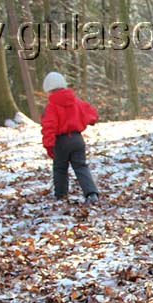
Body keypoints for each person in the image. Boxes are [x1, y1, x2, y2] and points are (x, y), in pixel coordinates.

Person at [40, 71, 100, 205]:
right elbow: (92, 114)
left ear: (49, 89)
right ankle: (91, 193)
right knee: (81, 166)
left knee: (60, 168)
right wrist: (87, 120)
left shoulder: (52, 106)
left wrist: (49, 145)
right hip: (77, 139)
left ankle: (61, 195)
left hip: (61, 141)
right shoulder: (76, 101)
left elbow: (49, 126)